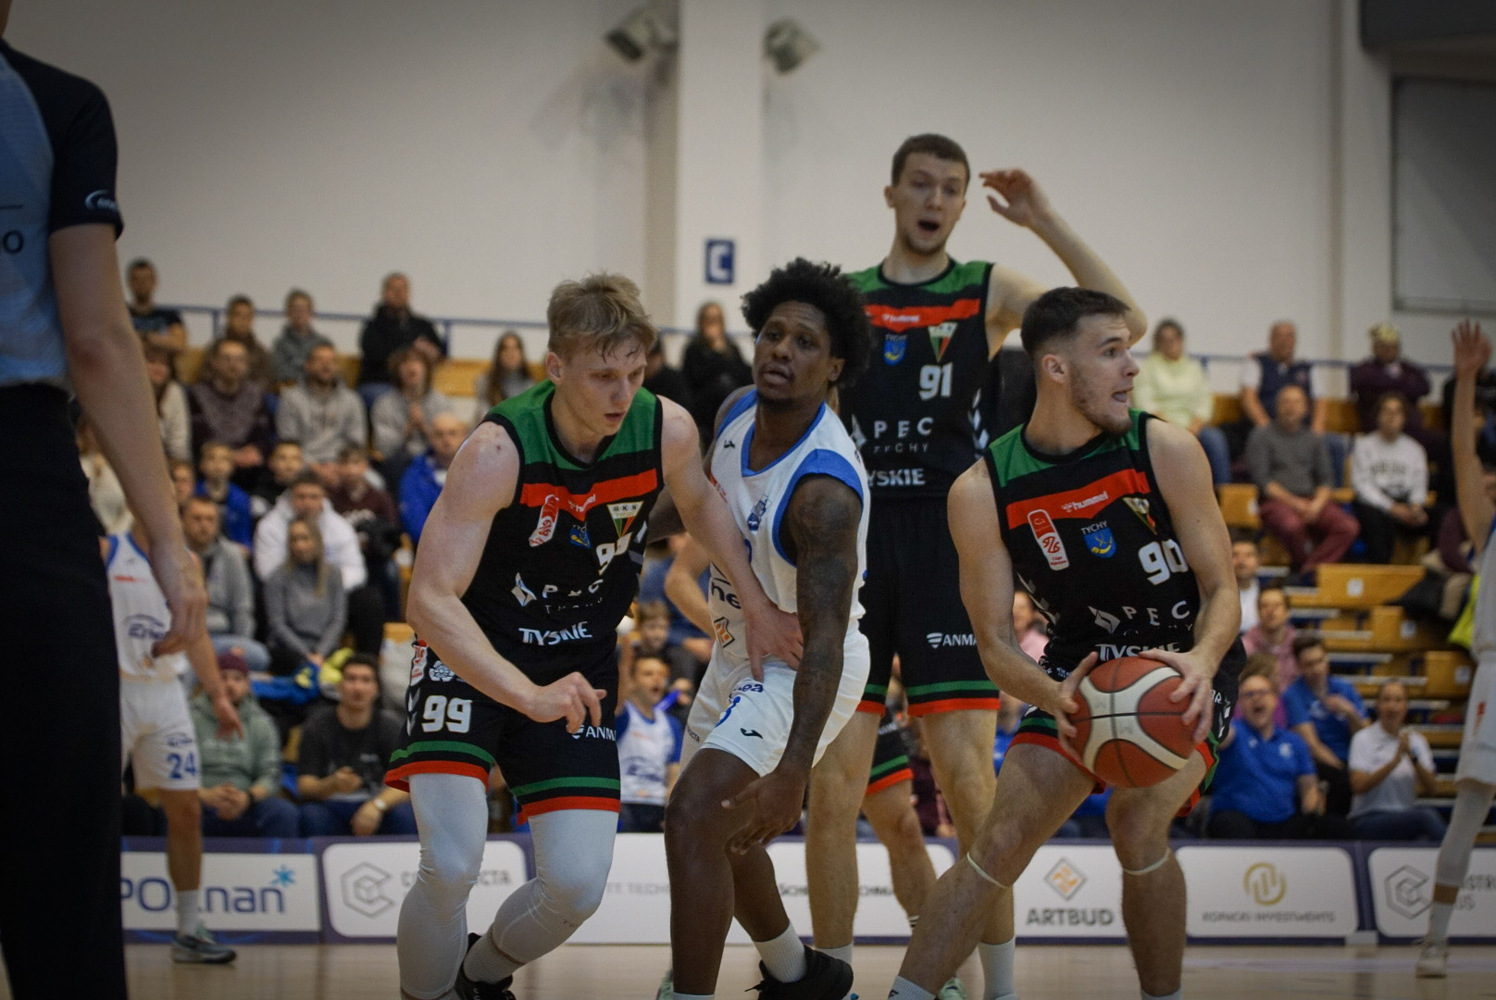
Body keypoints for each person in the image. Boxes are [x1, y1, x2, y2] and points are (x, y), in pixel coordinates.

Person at [385, 272, 800, 1000]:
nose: (622, 393)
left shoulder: (665, 428)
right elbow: (428, 600)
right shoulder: (497, 450)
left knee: (576, 887)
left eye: (634, 374)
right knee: (449, 866)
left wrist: (761, 605)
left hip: (577, 662)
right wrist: (526, 693)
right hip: (472, 655)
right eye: (604, 376)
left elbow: (702, 508)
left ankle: (478, 978)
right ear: (555, 366)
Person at [824, 134, 1145, 1000]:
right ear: (891, 193)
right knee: (835, 786)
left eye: (949, 188)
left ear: (964, 204)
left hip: (948, 535)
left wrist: (1043, 219)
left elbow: (1119, 320)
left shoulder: (986, 288)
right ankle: (831, 980)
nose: (934, 199)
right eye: (920, 184)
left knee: (971, 784)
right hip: (856, 540)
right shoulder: (848, 296)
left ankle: (999, 988)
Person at [884, 287, 1243, 1000]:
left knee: (1136, 821)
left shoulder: (1166, 448)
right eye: (1111, 352)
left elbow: (1222, 590)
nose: (1131, 368)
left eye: (1129, 351)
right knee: (998, 839)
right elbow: (993, 644)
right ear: (1055, 368)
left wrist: (1202, 663)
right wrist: (1051, 694)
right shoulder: (983, 489)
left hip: (1180, 659)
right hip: (1077, 668)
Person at [0, 23, 207, 992]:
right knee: (58, 821)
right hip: (19, 474)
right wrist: (167, 540)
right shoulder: (56, 104)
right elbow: (95, 338)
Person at [663, 258, 872, 1000]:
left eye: (805, 342)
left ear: (834, 364)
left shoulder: (823, 492)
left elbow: (825, 642)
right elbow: (691, 502)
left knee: (693, 816)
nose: (782, 350)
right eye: (773, 334)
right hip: (738, 648)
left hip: (802, 665)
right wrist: (606, 527)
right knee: (721, 825)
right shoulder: (736, 410)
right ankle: (799, 975)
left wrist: (794, 770)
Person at [107, 518, 242, 964]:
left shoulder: (186, 562)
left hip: (167, 694)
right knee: (91, 813)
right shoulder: (107, 550)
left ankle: (188, 929)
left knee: (186, 812)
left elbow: (197, 631)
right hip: (115, 689)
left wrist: (218, 696)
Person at [1419, 320, 1496, 977]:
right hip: (1495, 674)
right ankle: (1436, 941)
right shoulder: (1486, 523)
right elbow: (1463, 457)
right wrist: (1466, 380)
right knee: (1470, 809)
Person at [1205, 673, 1348, 839]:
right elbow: (1217, 735)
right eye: (1249, 695)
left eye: (1262, 692)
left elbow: (1309, 786)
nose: (1256, 699)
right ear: (1240, 704)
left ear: (1275, 699)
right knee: (1230, 824)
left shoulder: (1294, 741)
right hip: (1238, 816)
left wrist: (1310, 817)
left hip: (1284, 821)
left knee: (1335, 827)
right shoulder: (1233, 732)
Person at [253, 470, 382, 653]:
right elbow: (267, 570)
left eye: (313, 497)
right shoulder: (270, 526)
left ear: (323, 498)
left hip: (330, 592)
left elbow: (355, 570)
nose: (307, 502)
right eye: (301, 497)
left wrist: (326, 587)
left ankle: (365, 662)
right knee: (261, 597)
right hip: (288, 594)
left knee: (368, 600)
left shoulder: (340, 527)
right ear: (290, 497)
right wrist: (304, 590)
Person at [296, 655, 415, 836]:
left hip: (377, 804)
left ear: (377, 689)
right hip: (332, 806)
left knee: (405, 815)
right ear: (339, 686)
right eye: (351, 679)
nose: (358, 688)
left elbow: (406, 784)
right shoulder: (317, 725)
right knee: (310, 815)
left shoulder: (390, 726)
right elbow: (305, 786)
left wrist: (376, 806)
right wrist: (331, 784)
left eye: (366, 680)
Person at [1246, 383, 1358, 576]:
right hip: (1276, 502)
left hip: (1312, 500)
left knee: (1348, 526)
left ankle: (1309, 571)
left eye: (1297, 402)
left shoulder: (1314, 439)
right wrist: (1296, 504)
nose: (1291, 407)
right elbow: (1263, 481)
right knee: (1292, 526)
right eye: (1286, 402)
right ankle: (1306, 571)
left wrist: (1316, 505)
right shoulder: (1261, 436)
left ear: (1305, 408)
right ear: (1276, 406)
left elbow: (1326, 480)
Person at [193, 652, 300, 837]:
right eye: (223, 677)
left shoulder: (262, 722)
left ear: (248, 685)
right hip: (198, 799)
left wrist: (247, 798)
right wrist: (204, 795)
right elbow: (173, 772)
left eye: (237, 679)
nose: (230, 684)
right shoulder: (190, 718)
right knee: (172, 811)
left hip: (247, 801)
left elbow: (271, 774)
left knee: (284, 813)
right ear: (210, 682)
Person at [1132, 317, 1230, 485]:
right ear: (1157, 342)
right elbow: (1145, 403)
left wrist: (1194, 427)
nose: (1170, 344)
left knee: (1215, 438)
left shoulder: (1193, 368)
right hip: (1161, 426)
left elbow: (1204, 402)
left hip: (1194, 427)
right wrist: (1173, 429)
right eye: (1165, 340)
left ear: (1182, 340)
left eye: (1174, 339)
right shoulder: (1148, 368)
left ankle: (1224, 493)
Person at [182, 494, 269, 673]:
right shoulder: (171, 553)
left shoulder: (232, 554)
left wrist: (241, 644)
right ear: (183, 521)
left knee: (259, 656)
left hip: (221, 637)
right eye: (197, 519)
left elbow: (242, 607)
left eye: (210, 519)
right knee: (184, 665)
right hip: (183, 637)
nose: (204, 525)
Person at [1282, 633, 1366, 816]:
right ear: (1299, 666)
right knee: (1340, 782)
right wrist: (1343, 770)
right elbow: (1312, 745)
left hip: (1353, 757)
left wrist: (1350, 713)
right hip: (1319, 762)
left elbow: (1366, 735)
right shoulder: (1293, 695)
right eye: (1309, 664)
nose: (1316, 669)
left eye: (1319, 661)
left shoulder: (1344, 688)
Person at [1348, 681, 1445, 841]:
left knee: (1425, 837)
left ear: (1406, 706)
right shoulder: (1363, 739)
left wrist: (1413, 758)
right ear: (1377, 705)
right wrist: (1393, 763)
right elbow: (1358, 786)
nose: (1392, 707)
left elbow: (1433, 788)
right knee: (1426, 817)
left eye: (1398, 700)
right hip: (1369, 817)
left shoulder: (1417, 740)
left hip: (1405, 816)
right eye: (1386, 700)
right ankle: (1458, 856)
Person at [1351, 393, 1430, 563]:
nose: (1391, 416)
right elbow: (1362, 486)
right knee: (1375, 520)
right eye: (1386, 411)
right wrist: (1392, 507)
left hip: (1406, 502)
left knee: (1436, 518)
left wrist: (1416, 506)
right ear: (1378, 416)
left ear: (1404, 417)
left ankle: (1430, 572)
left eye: (1397, 412)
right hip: (1375, 503)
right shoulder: (1364, 445)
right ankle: (1380, 572)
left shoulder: (1415, 449)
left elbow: (1419, 483)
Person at [263, 517, 347, 676]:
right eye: (294, 540)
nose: (300, 545)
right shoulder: (277, 577)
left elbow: (338, 619)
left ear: (317, 540)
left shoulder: (333, 574)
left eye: (305, 538)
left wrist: (320, 654)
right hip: (288, 650)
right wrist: (308, 656)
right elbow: (277, 624)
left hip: (325, 650)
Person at [276, 341, 368, 481]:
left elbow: (356, 441)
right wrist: (314, 467)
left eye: (331, 361)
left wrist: (339, 466)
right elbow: (288, 440)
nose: (326, 365)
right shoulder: (290, 398)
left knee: (376, 482)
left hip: (342, 465)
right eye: (320, 360)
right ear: (307, 365)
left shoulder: (351, 399)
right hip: (302, 464)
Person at [187, 336, 275, 480]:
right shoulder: (197, 394)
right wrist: (229, 455)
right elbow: (198, 437)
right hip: (211, 461)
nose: (233, 365)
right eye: (226, 359)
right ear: (215, 362)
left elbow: (263, 433)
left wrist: (257, 449)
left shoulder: (256, 394)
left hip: (247, 466)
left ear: (246, 364)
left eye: (239, 359)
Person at [357, 271, 446, 410]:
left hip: (418, 386)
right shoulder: (373, 326)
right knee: (386, 400)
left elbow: (440, 352)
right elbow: (375, 354)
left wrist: (432, 353)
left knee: (440, 404)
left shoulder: (422, 325)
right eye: (394, 289)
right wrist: (412, 347)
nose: (399, 293)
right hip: (381, 382)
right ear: (384, 293)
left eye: (403, 289)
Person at [615, 653, 683, 833]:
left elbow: (674, 773)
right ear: (632, 681)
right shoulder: (622, 714)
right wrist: (626, 652)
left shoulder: (671, 724)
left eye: (662, 674)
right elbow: (619, 695)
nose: (657, 679)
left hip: (657, 806)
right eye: (648, 674)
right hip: (624, 803)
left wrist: (671, 810)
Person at [372, 345, 458, 483]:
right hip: (400, 463)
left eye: (417, 361)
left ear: (426, 368)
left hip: (435, 461)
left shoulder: (442, 403)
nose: (411, 367)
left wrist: (424, 428)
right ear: (397, 371)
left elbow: (451, 442)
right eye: (405, 363)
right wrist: (407, 430)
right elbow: (384, 448)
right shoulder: (384, 404)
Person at [681, 299, 752, 441]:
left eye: (715, 319)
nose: (712, 323)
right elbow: (697, 377)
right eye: (708, 319)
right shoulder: (693, 349)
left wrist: (720, 350)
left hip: (730, 406)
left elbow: (743, 374)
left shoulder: (731, 348)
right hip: (704, 409)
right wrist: (716, 351)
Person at [1349, 322, 1432, 440]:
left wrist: (1388, 383)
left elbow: (1424, 387)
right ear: (1374, 348)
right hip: (1375, 428)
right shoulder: (1363, 370)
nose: (1389, 350)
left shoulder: (1410, 369)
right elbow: (1361, 383)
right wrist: (1402, 382)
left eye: (1393, 346)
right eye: (1384, 346)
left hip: (1410, 428)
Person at [399, 411, 468, 546]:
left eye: (452, 433)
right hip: (431, 549)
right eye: (439, 434)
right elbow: (416, 526)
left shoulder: (478, 471)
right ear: (430, 437)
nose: (446, 440)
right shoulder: (414, 475)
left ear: (463, 436)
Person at [1242, 584, 1298, 699]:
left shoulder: (1298, 646)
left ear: (1288, 612)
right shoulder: (1245, 648)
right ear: (1257, 612)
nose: (1271, 611)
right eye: (1265, 606)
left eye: (1277, 605)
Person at [196, 439, 253, 549]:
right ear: (201, 464)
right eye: (211, 458)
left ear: (232, 466)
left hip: (231, 550)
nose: (218, 464)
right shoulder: (193, 494)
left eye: (224, 459)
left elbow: (245, 540)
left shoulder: (241, 498)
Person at [475, 330, 540, 422]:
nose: (511, 353)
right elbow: (484, 415)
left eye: (515, 348)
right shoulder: (485, 382)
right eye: (505, 349)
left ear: (522, 354)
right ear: (498, 354)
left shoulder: (531, 386)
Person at [269, 288, 331, 385]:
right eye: (295, 309)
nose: (299, 314)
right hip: (290, 389)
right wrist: (309, 370)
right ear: (288, 313)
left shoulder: (323, 342)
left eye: (303, 309)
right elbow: (279, 373)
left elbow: (330, 372)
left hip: (319, 389)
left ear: (311, 312)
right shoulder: (280, 344)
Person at [125, 257, 187, 351]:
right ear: (129, 282)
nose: (142, 284)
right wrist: (158, 341)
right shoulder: (121, 313)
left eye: (146, 279)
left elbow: (179, 344)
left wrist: (145, 337)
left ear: (154, 282)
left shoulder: (169, 314)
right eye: (137, 279)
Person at [145, 340, 191, 463]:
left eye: (164, 363)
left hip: (164, 459)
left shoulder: (174, 391)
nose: (158, 368)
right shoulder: (126, 391)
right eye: (152, 362)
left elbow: (179, 440)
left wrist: (178, 464)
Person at [219, 293, 275, 391]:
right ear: (229, 318)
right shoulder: (216, 349)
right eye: (238, 315)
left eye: (247, 316)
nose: (243, 320)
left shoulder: (260, 353)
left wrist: (247, 392)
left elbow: (267, 379)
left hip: (252, 397)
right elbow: (207, 377)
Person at [1232, 537, 1261, 633]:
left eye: (1248, 555)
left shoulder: (1267, 592)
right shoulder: (1214, 593)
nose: (1241, 561)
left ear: (1258, 561)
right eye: (1235, 555)